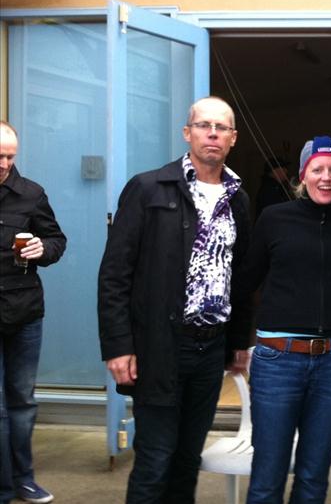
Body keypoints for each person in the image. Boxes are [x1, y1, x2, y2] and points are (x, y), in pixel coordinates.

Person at [97, 97, 252, 504]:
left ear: (233, 138)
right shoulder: (149, 188)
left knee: (186, 460)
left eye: (222, 128)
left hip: (209, 349)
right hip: (159, 347)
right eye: (204, 125)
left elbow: (241, 278)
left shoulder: (238, 198)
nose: (213, 133)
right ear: (188, 133)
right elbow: (115, 273)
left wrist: (238, 342)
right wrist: (118, 346)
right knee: (155, 459)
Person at [242, 136, 331, 504]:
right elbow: (246, 281)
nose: (326, 177)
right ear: (303, 176)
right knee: (268, 475)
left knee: (314, 477)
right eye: (318, 169)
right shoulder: (274, 219)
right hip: (279, 360)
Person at [0, 121, 66, 504]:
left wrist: (44, 249)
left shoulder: (31, 193)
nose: (5, 164)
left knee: (22, 401)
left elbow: (57, 240)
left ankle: (23, 478)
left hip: (25, 313)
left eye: (10, 156)